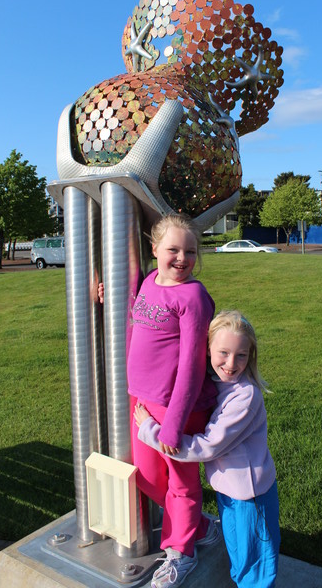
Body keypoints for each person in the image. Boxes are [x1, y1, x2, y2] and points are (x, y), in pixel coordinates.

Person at [135, 310, 280, 588]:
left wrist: (150, 431)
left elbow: (206, 447)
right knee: (241, 559)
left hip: (251, 497)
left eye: (241, 355)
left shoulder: (245, 397)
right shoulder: (216, 384)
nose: (230, 363)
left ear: (251, 356)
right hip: (230, 491)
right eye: (223, 353)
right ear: (208, 350)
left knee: (256, 568)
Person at [116, 213, 219, 588]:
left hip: (181, 407)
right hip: (143, 402)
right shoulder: (148, 281)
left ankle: (181, 553)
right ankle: (200, 525)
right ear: (154, 248)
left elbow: (193, 364)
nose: (181, 258)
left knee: (182, 483)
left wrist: (174, 424)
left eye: (190, 251)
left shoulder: (193, 296)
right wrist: (107, 297)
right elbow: (136, 315)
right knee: (144, 478)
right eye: (173, 249)